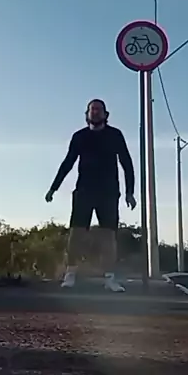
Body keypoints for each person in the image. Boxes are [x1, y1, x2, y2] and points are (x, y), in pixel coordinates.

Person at [45, 98, 136, 292]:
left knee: (108, 235)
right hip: (84, 191)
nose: (95, 112)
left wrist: (130, 192)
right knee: (77, 233)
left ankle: (109, 278)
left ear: (105, 114)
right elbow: (68, 162)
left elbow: (126, 163)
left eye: (98, 109)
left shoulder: (115, 135)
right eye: (92, 109)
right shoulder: (79, 136)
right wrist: (54, 188)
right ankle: (70, 274)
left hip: (108, 192)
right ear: (87, 114)